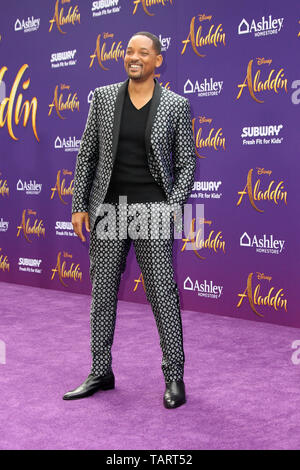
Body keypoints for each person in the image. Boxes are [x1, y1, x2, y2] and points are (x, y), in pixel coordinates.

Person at [63, 31, 196, 409]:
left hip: (152, 210)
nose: (133, 57)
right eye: (128, 51)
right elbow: (87, 155)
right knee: (102, 295)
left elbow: (186, 163)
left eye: (143, 52)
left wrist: (173, 205)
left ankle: (174, 377)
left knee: (162, 296)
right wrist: (79, 204)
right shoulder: (104, 98)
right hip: (106, 209)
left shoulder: (175, 104)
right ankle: (100, 371)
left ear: (157, 60)